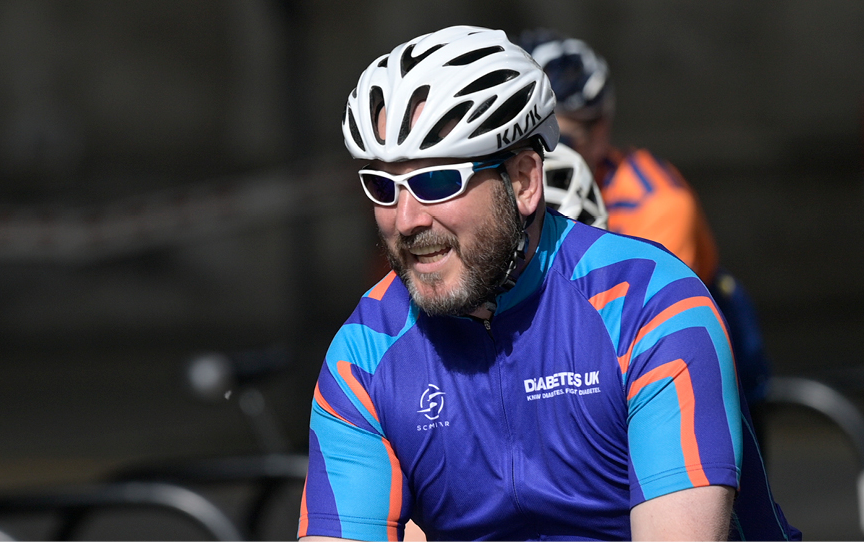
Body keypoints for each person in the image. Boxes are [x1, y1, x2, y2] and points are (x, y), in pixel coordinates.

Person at [298, 26, 798, 541]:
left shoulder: (649, 303)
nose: (405, 221)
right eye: (383, 186)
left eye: (436, 181)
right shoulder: (362, 356)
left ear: (523, 179)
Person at [517, 29, 773, 440]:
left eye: (561, 139)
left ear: (600, 128)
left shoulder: (657, 203)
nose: (543, 155)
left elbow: (647, 329)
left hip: (686, 354)